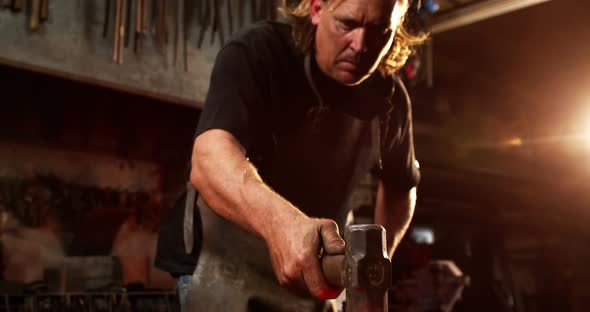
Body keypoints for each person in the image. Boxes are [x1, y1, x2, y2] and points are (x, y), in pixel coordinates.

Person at [156, 0, 425, 310]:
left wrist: (379, 258)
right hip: (219, 267)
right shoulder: (259, 52)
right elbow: (209, 160)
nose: (360, 46)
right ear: (315, 9)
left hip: (314, 281)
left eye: (381, 31)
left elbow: (402, 186)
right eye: (347, 24)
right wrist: (283, 226)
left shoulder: (390, 101)